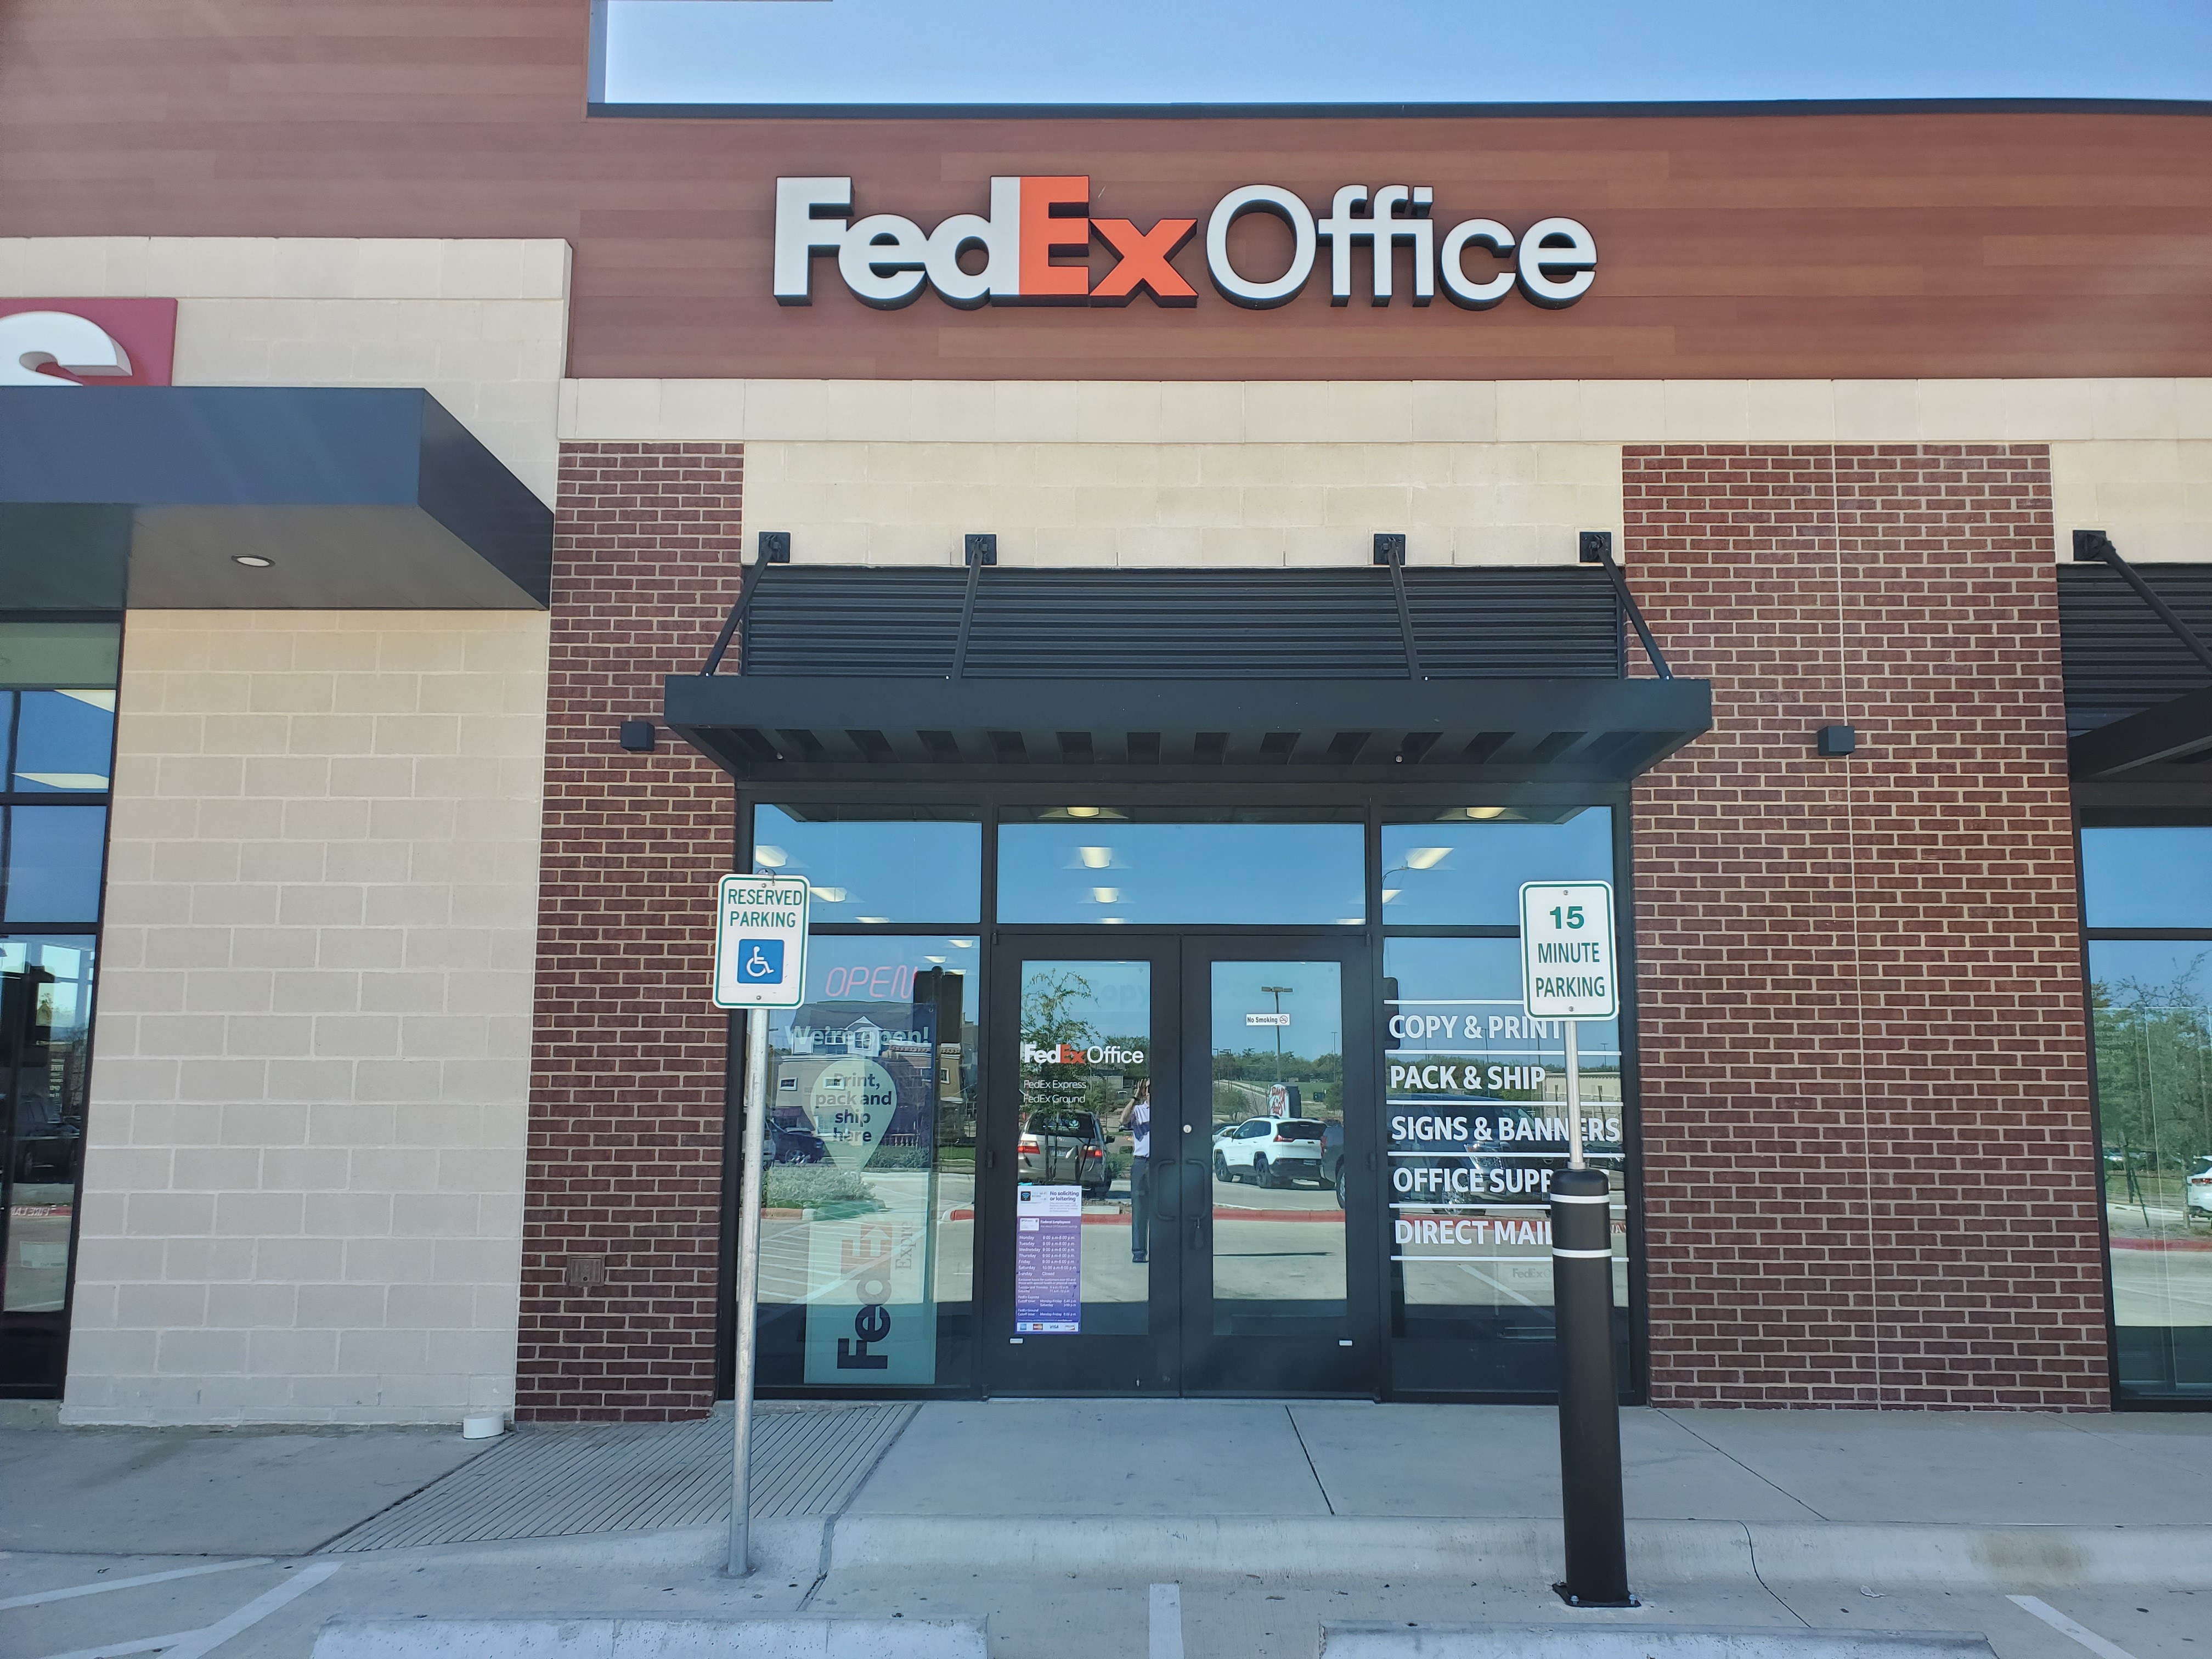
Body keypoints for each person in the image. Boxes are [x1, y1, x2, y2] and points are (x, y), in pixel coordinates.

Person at [1118, 1080, 1153, 1265]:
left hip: (1162, 1165)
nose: (1152, 1092)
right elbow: (1123, 1120)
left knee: (1161, 1209)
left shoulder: (1169, 1109)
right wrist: (1135, 1097)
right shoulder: (1138, 1111)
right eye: (1149, 1088)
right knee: (1140, 1210)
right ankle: (1139, 1252)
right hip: (1141, 1163)